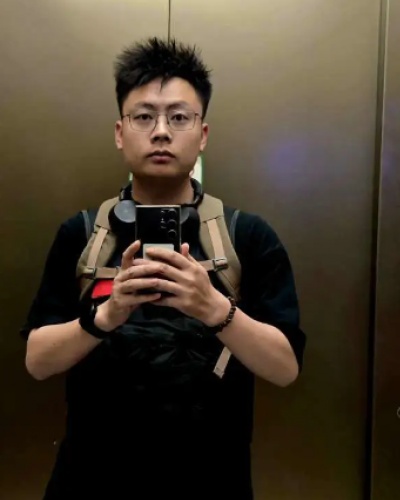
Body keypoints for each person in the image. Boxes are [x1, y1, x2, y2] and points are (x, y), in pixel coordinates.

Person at [21, 38, 306, 500]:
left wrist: (215, 309)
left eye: (178, 117)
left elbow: (285, 368)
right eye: (143, 117)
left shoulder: (248, 236)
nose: (160, 132)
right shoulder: (82, 233)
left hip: (212, 480)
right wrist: (105, 316)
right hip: (90, 478)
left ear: (203, 133)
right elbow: (37, 362)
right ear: (120, 132)